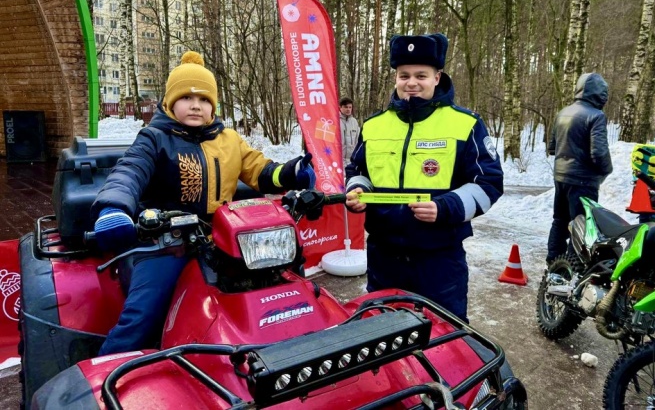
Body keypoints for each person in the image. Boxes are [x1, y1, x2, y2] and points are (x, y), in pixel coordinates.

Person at [91, 51, 315, 355]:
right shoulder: (154, 138)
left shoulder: (229, 139)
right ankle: (105, 377)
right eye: (186, 97)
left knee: (275, 288)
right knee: (143, 317)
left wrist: (292, 172)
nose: (196, 105)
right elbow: (130, 171)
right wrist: (114, 207)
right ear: (170, 102)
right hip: (166, 243)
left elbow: (261, 171)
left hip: (221, 241)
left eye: (205, 99)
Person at [344, 33, 503, 323]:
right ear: (395, 78)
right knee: (381, 338)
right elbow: (358, 170)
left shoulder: (466, 124)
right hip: (384, 257)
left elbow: (488, 182)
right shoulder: (374, 125)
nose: (412, 82)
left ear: (437, 77)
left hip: (439, 260)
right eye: (404, 75)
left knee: (445, 340)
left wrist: (446, 207)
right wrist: (357, 190)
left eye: (421, 75)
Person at [546, 72, 612, 264]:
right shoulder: (596, 116)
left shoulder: (563, 112)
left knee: (560, 221)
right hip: (583, 180)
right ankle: (573, 266)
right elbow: (599, 153)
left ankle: (554, 262)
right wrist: (606, 170)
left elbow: (552, 147)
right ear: (600, 94)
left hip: (560, 176)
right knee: (581, 224)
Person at [339, 97, 360, 166]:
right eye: (345, 107)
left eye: (350, 107)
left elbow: (358, 140)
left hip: (351, 161)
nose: (348, 109)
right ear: (340, 107)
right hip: (338, 160)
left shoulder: (354, 122)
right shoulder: (335, 121)